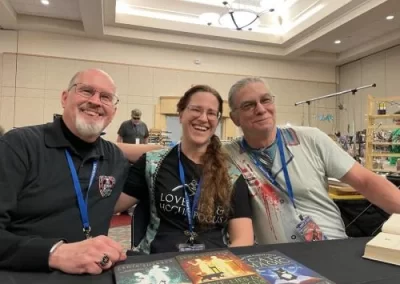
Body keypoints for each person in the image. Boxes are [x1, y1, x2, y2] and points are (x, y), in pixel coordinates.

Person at [0, 69, 154, 275]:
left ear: (114, 112)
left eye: (106, 97)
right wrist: (55, 253)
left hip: (92, 276)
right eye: (86, 91)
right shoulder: (19, 146)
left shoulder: (114, 159)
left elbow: (155, 162)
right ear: (65, 98)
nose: (96, 101)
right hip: (25, 275)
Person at [224, 77, 400, 245]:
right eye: (248, 105)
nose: (261, 109)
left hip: (331, 245)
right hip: (280, 260)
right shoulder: (228, 156)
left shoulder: (311, 139)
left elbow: (366, 181)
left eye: (266, 100)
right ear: (234, 118)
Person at [115, 85, 254, 254]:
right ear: (181, 114)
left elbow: (243, 239)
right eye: (196, 109)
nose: (203, 118)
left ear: (217, 121)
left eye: (211, 113)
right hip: (158, 265)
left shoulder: (231, 174)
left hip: (213, 267)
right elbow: (110, 205)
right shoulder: (152, 164)